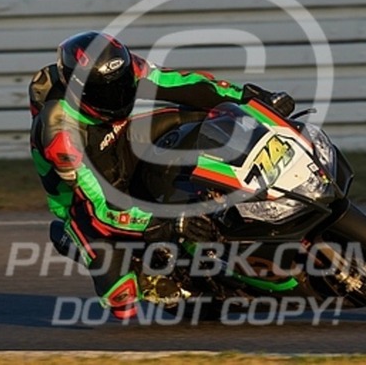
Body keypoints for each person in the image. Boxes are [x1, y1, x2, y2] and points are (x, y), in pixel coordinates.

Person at [29, 30, 295, 319]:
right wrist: (164, 223)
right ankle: (151, 275)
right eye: (104, 92)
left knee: (201, 117)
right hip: (85, 201)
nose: (118, 96)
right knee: (121, 300)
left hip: (121, 143)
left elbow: (181, 84)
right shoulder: (60, 133)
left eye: (122, 84)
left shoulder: (126, 68)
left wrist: (249, 98)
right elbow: (99, 207)